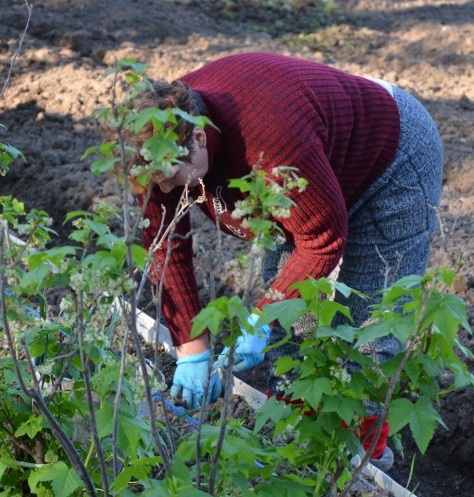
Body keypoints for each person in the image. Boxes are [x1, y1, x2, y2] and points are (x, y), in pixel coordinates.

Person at [128, 52, 443, 471]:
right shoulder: (155, 143)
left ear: (199, 139)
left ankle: (363, 461)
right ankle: (292, 429)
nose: (165, 187)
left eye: (172, 175)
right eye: (156, 180)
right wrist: (191, 349)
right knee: (293, 319)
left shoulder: (268, 138)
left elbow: (322, 239)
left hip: (389, 155)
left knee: (372, 325)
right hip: (310, 162)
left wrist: (259, 319)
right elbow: (166, 247)